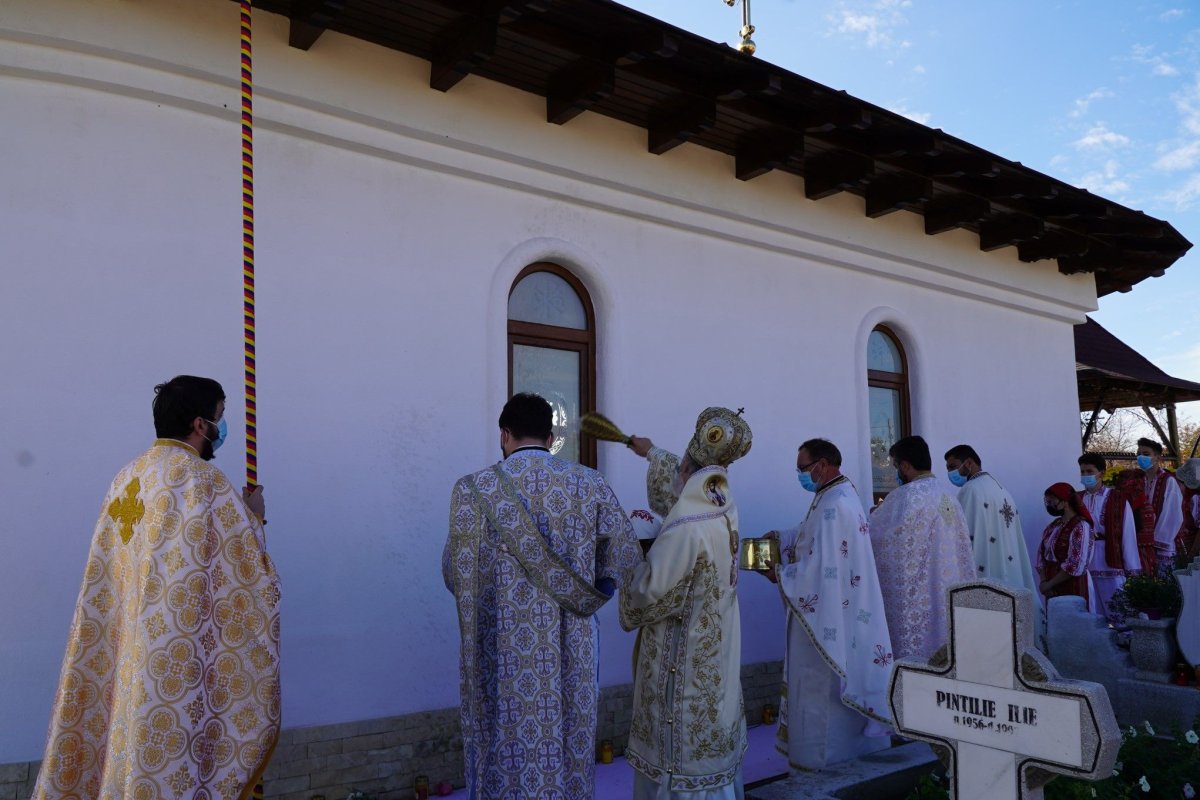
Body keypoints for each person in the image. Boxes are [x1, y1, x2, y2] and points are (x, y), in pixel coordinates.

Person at [33, 376, 280, 800]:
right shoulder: (205, 482)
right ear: (200, 425)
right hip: (171, 658)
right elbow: (247, 572)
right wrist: (254, 517)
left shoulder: (126, 478)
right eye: (220, 417)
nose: (222, 427)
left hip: (122, 643)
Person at [443, 393, 641, 800]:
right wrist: (585, 594)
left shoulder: (472, 490)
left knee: (502, 741)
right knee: (567, 736)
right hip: (570, 646)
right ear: (551, 438)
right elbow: (623, 559)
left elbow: (453, 573)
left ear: (504, 434)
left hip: (500, 648)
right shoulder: (589, 483)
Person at [620, 407, 752, 800]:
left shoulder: (684, 528)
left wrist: (626, 558)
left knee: (679, 752)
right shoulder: (722, 504)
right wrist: (651, 452)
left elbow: (648, 593)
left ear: (685, 468)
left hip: (685, 662)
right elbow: (681, 491)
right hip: (718, 654)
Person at [761, 438, 893, 770]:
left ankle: (822, 760)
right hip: (840, 609)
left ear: (822, 464)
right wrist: (781, 538)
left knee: (820, 689)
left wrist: (780, 574)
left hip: (827, 615)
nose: (800, 476)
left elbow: (820, 569)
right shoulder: (835, 495)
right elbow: (811, 535)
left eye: (803, 469)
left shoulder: (835, 504)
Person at [869, 435, 974, 661]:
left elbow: (874, 537)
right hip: (947, 593)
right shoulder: (948, 497)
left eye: (896, 466)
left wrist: (871, 518)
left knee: (914, 657)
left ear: (905, 466)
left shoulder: (904, 497)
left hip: (917, 600)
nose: (896, 472)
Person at [1077, 454, 1139, 624]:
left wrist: (1132, 567)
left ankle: (1125, 635)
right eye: (1082, 472)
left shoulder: (1117, 498)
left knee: (1118, 607)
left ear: (1102, 473)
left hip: (1110, 558)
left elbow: (1127, 532)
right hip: (1085, 560)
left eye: (1090, 471)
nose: (1085, 475)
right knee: (1092, 610)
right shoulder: (1076, 499)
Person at [1037, 483, 1095, 603]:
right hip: (1050, 586)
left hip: (1072, 585)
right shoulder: (1053, 526)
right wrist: (1043, 583)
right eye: (1047, 501)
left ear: (1065, 502)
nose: (1049, 505)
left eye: (1052, 501)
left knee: (1073, 614)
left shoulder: (1081, 526)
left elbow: (1076, 564)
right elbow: (1041, 556)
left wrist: (1049, 584)